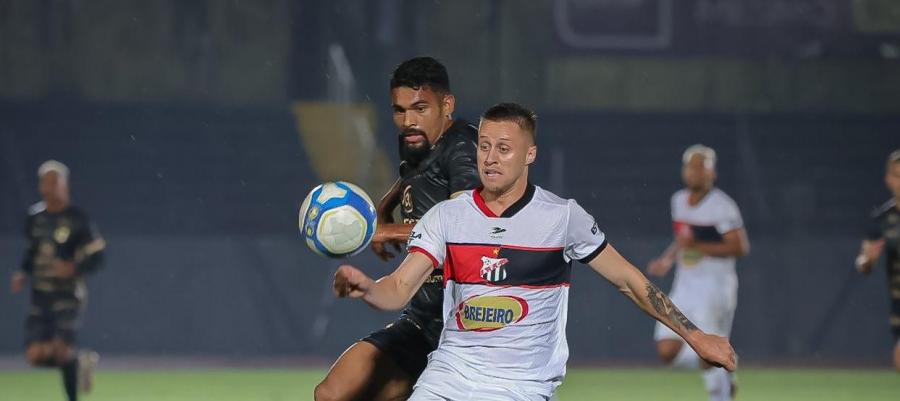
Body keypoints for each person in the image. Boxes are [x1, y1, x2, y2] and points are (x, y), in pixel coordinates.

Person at [333, 103, 737, 401]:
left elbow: (629, 281)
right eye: (484, 146)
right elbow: (398, 288)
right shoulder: (446, 217)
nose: (490, 158)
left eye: (504, 148)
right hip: (447, 380)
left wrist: (696, 336)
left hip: (521, 388)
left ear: (530, 154)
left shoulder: (562, 218)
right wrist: (368, 287)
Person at [315, 56, 479, 401]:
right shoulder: (418, 142)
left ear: (447, 105)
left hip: (464, 328)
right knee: (332, 393)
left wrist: (385, 232)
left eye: (420, 108)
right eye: (399, 110)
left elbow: (465, 227)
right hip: (421, 320)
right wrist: (382, 208)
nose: (408, 121)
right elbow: (413, 177)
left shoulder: (463, 148)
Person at [646, 144, 749, 401]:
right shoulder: (678, 201)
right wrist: (667, 260)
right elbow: (683, 240)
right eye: (690, 167)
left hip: (715, 288)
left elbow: (739, 247)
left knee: (709, 353)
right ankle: (727, 366)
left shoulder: (723, 206)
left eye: (701, 167)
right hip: (685, 286)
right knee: (666, 350)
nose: (694, 172)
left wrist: (698, 246)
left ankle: (721, 393)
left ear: (712, 173)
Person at [10, 160, 106, 401]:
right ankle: (79, 362)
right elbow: (31, 251)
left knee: (62, 351)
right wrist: (23, 272)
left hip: (68, 294)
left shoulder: (78, 219)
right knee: (35, 355)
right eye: (46, 182)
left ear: (65, 186)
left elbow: (98, 255)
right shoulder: (35, 217)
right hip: (40, 295)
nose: (49, 187)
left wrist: (75, 267)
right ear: (40, 186)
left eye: (55, 182)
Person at [855, 149, 900, 372]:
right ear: (888, 179)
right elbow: (863, 264)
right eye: (897, 176)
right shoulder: (882, 218)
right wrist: (868, 260)